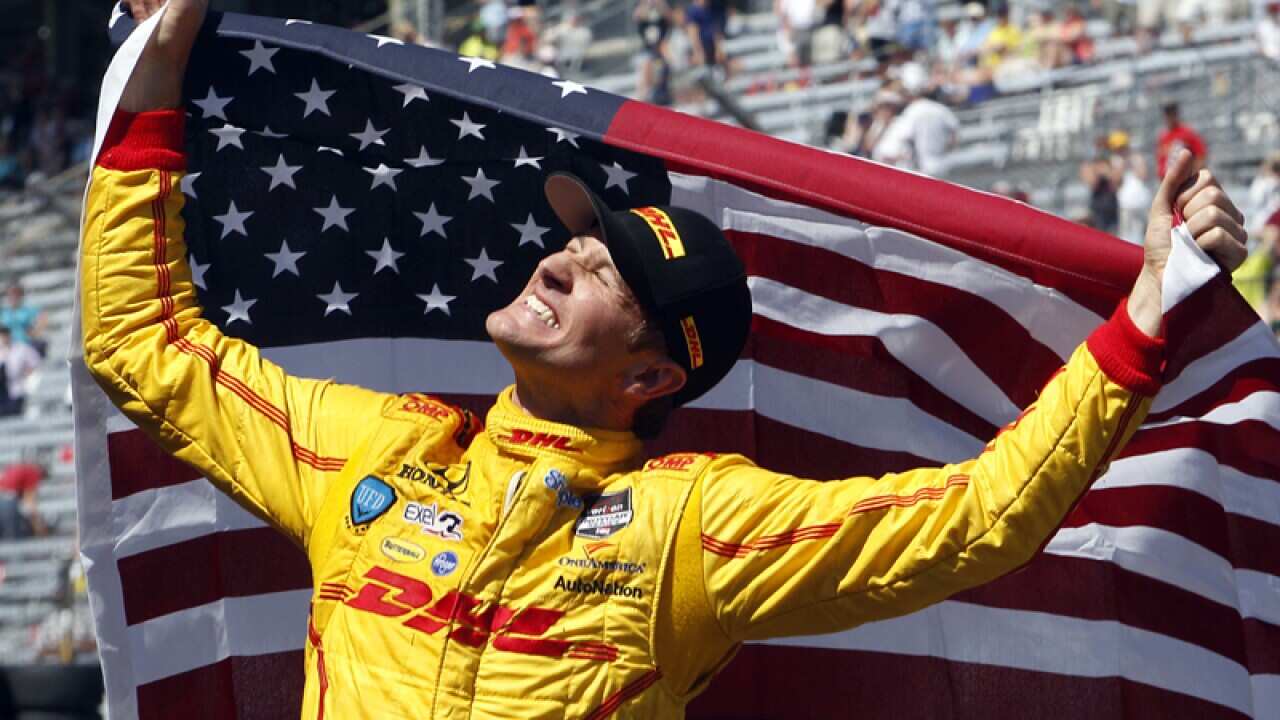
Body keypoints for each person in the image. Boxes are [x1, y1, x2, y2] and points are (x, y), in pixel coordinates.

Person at [90, 1, 1249, 716]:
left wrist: (1144, 316)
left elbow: (972, 520)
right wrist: (157, 72)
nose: (554, 266)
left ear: (648, 379)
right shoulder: (365, 453)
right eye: (573, 247)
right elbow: (138, 343)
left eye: (602, 278)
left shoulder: (690, 531)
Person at [1155, 101, 1207, 178]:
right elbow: (1161, 163)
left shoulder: (1187, 132)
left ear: (1176, 114)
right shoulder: (1162, 137)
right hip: (1168, 181)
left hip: (1184, 180)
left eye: (1172, 113)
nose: (1170, 117)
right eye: (1167, 113)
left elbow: (1201, 156)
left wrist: (1192, 176)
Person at [0, 325, 40, 417]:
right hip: (2, 392)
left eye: (4, 336)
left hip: (17, 389)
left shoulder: (21, 348)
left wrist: (27, 373)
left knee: (14, 414)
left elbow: (35, 363)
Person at [0, 461, 46, 539]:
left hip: (5, 499)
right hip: (7, 502)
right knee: (13, 539)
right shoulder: (33, 473)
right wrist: (39, 529)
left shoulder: (19, 467)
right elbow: (30, 505)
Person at [0, 283, 47, 356]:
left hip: (25, 345)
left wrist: (35, 331)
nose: (14, 296)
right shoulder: (4, 312)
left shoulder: (28, 310)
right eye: (11, 293)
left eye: (16, 293)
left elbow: (43, 318)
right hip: (8, 347)